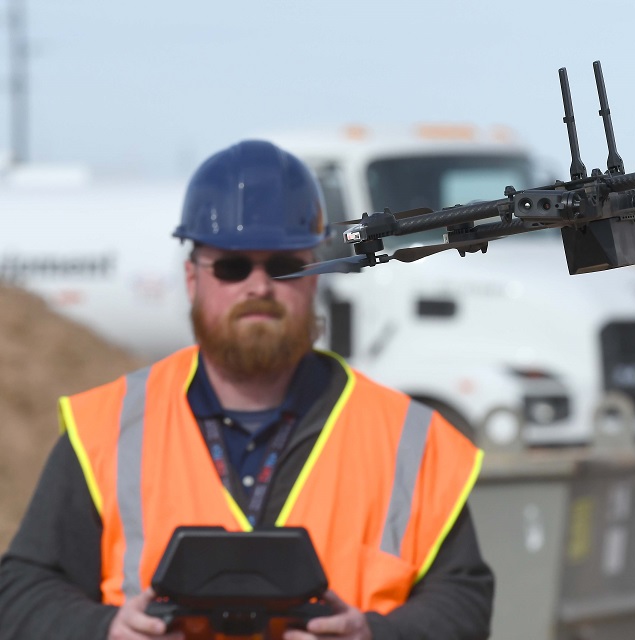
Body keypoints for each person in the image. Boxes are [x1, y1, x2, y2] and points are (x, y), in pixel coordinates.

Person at [0, 140, 494, 640]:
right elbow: (22, 591)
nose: (258, 286)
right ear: (192, 278)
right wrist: (106, 630)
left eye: (282, 266)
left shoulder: (409, 439)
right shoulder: (106, 429)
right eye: (233, 266)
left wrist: (373, 635)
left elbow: (463, 601)